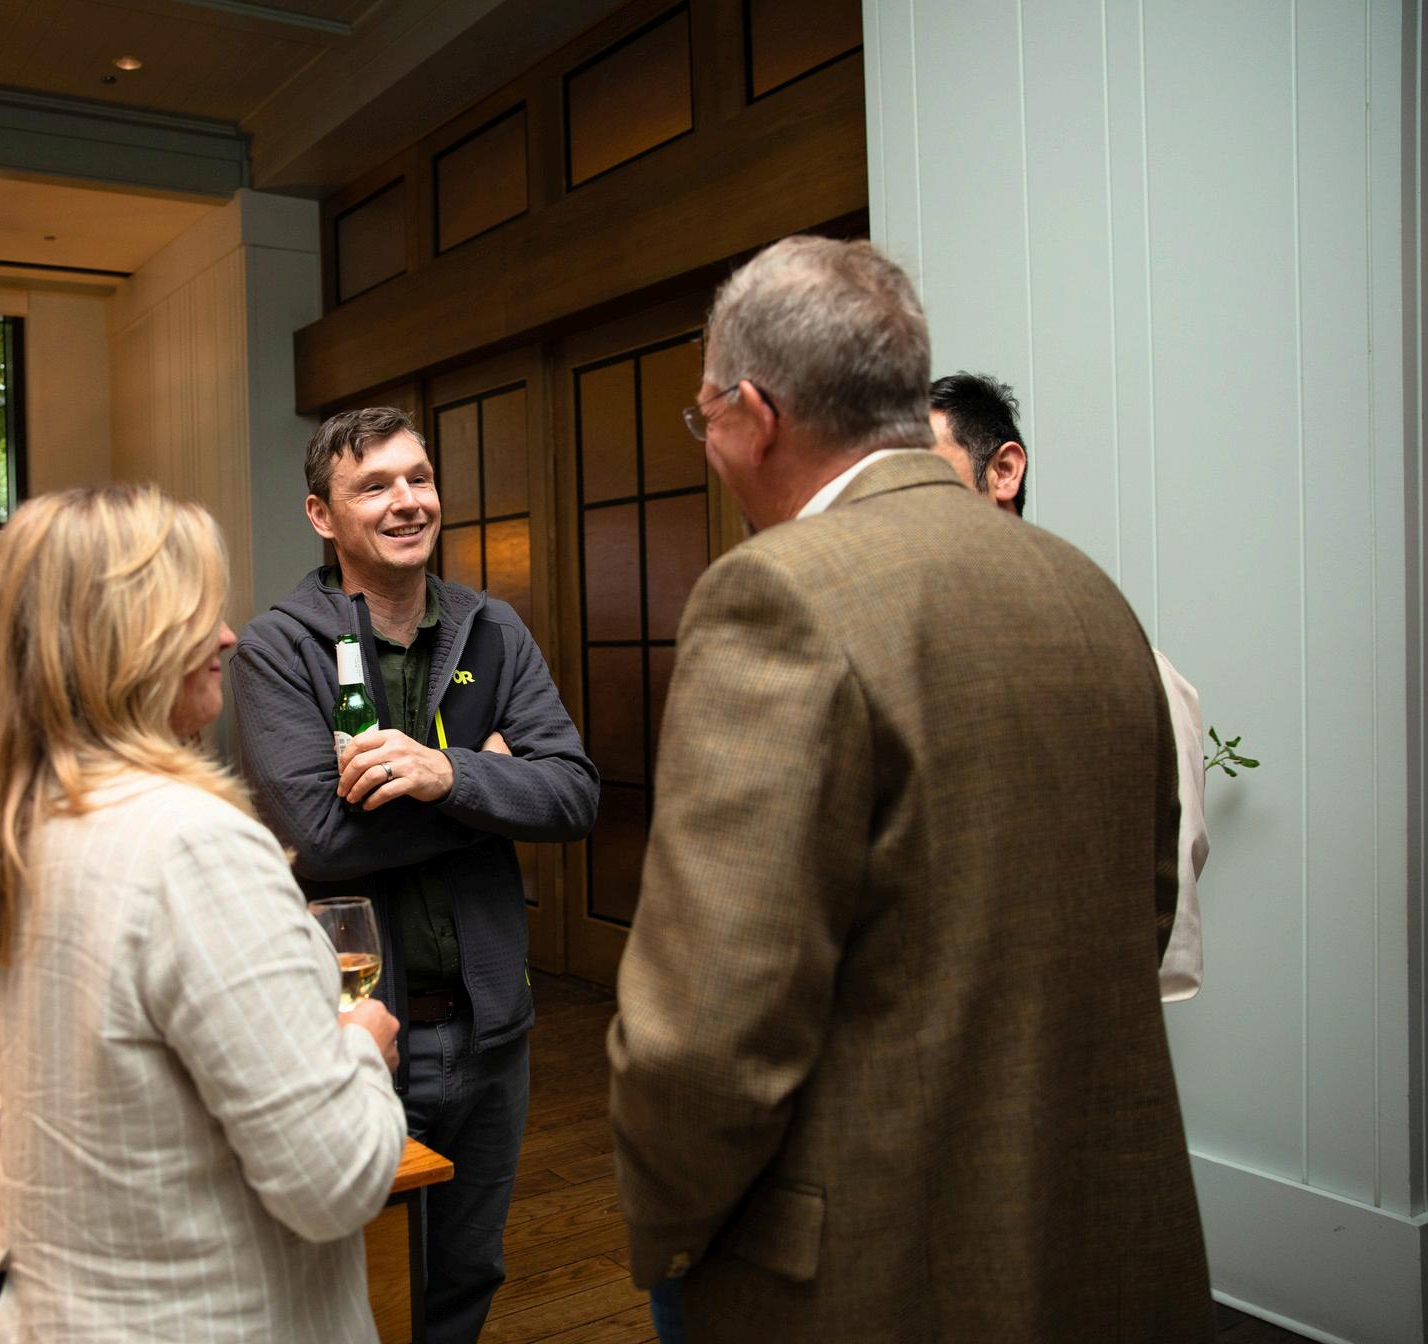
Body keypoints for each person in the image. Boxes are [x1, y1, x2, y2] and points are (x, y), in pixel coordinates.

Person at [607, 236, 1212, 1342]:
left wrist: (668, 1233)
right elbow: (1146, 910)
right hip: (1092, 1237)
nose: (711, 446)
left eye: (704, 418)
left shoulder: (775, 595)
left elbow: (704, 1033)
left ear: (755, 412)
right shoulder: (1086, 589)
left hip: (869, 1265)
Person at [0, 484, 408, 1343]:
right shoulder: (192, 845)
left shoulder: (29, 821)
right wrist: (360, 1046)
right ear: (125, 638)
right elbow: (335, 1181)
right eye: (198, 611)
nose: (228, 636)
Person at [230, 407, 599, 1344]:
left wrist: (444, 775)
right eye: (375, 486)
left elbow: (572, 795)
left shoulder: (493, 629)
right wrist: (488, 791)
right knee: (360, 1291)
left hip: (492, 1028)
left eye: (419, 478)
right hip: (359, 1033)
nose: (408, 502)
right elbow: (319, 838)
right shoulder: (278, 649)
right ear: (322, 515)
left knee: (468, 1274)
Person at [929, 370, 1210, 1000]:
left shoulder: (1129, 671)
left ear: (1004, 471)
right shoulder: (893, 664)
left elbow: (1167, 929)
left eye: (923, 476)